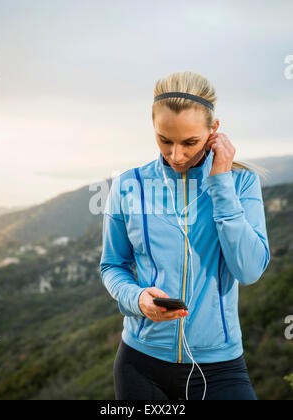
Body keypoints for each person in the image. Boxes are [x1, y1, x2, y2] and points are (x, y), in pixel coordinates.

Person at [99, 70, 271, 400]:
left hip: (220, 367)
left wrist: (221, 184)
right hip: (141, 365)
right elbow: (112, 266)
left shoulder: (241, 184)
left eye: (189, 142)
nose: (176, 156)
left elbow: (248, 270)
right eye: (165, 140)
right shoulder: (128, 186)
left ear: (213, 131)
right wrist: (137, 300)